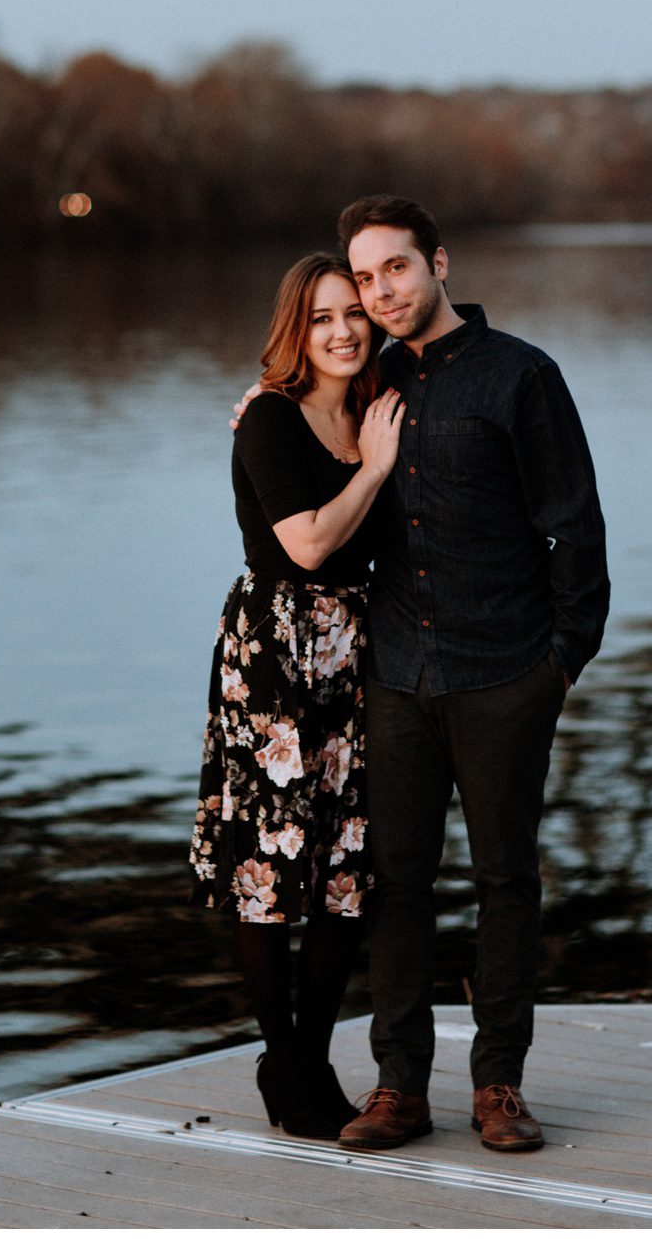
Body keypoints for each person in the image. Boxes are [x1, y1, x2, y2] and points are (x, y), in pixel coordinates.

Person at [234, 195, 609, 1155]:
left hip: (503, 672)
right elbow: (294, 426)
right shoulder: (365, 382)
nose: (378, 295)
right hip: (393, 677)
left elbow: (575, 524)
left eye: (394, 269)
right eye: (363, 280)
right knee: (393, 884)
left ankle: (499, 1087)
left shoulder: (521, 377)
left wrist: (560, 663)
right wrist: (260, 404)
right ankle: (399, 1087)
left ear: (437, 263)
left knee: (504, 880)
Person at [189, 251, 405, 1140]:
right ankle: (285, 1063)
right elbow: (309, 545)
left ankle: (310, 1060)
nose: (344, 330)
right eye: (321, 317)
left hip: (361, 654)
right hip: (277, 653)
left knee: (348, 869)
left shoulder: (379, 406)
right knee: (272, 867)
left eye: (356, 311)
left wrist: (380, 439)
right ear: (294, 328)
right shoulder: (268, 421)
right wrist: (377, 469)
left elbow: (454, 315)